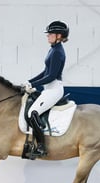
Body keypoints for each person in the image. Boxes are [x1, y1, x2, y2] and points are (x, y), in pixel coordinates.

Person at [24, 20, 69, 157]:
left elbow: (51, 76)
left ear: (59, 36)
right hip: (49, 88)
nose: (48, 36)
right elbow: (45, 72)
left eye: (50, 34)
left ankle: (41, 147)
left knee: (33, 112)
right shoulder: (53, 49)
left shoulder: (57, 52)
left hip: (54, 89)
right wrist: (29, 81)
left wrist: (33, 85)